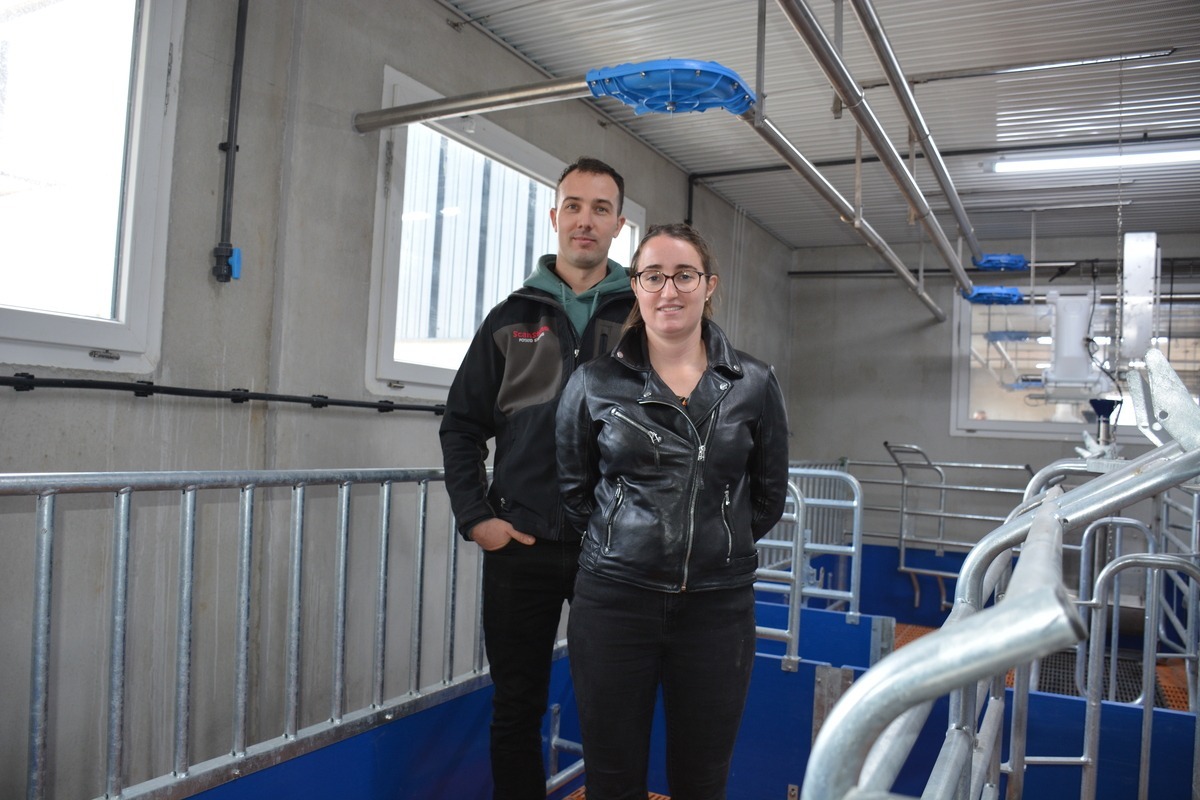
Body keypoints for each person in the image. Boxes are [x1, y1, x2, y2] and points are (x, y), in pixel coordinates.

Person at [555, 222, 791, 799]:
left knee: (702, 779)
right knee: (612, 778)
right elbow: (574, 489)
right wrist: (626, 541)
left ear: (709, 285)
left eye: (684, 275)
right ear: (634, 287)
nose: (669, 290)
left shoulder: (753, 383)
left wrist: (716, 544)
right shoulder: (594, 382)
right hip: (613, 601)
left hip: (717, 606)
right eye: (653, 276)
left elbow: (766, 497)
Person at [439, 156, 634, 799]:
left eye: (600, 209)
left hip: (611, 550)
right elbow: (462, 425)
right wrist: (477, 519)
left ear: (618, 225)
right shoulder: (509, 318)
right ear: (555, 218)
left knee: (616, 709)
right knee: (516, 708)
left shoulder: (645, 317)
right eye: (573, 206)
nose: (585, 220)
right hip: (519, 543)